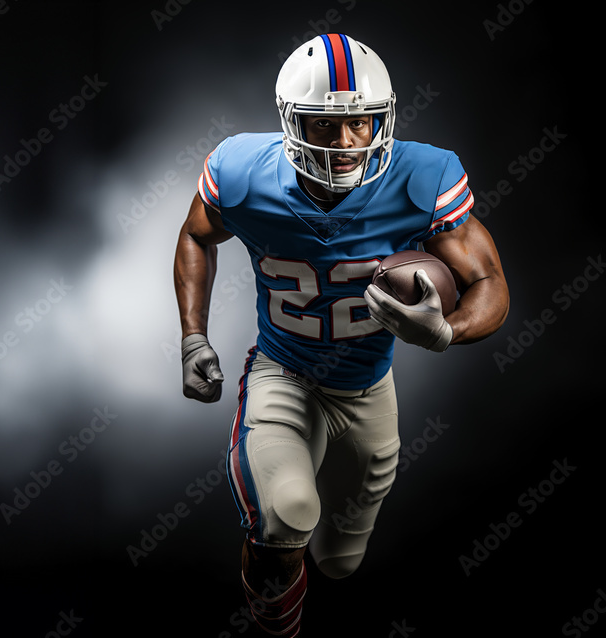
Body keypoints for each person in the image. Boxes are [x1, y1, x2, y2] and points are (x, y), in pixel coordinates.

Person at [173, 33, 509, 636]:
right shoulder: (245, 173)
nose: (347, 142)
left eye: (361, 121)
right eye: (324, 124)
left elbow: (488, 280)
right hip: (283, 373)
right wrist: (193, 337)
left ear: (384, 116)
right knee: (288, 514)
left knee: (341, 560)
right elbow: (197, 235)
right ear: (289, 121)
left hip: (369, 389)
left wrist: (445, 332)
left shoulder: (422, 178)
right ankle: (276, 626)